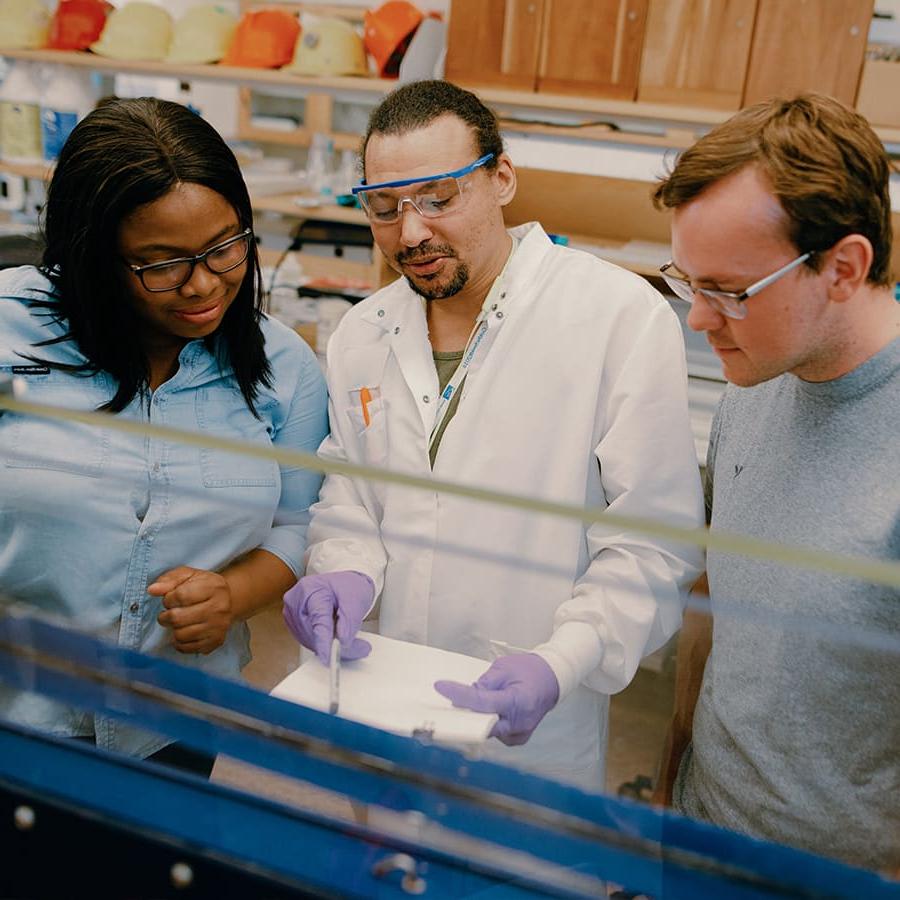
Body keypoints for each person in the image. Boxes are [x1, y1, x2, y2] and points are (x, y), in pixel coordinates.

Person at [283, 80, 704, 786]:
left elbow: (651, 543)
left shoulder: (617, 317)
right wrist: (344, 570)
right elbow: (351, 496)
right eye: (383, 208)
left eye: (438, 199)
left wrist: (561, 660)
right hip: (377, 701)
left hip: (535, 732)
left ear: (502, 178)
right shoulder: (363, 331)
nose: (410, 233)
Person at [0, 97, 328, 775]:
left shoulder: (283, 369)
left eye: (226, 246)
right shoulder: (11, 335)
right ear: (93, 256)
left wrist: (232, 595)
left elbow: (297, 525)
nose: (204, 283)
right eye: (161, 263)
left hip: (174, 721)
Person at [651, 93, 900, 872]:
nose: (698, 319)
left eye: (727, 290)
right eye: (687, 281)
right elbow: (712, 611)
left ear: (843, 267)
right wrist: (670, 784)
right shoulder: (752, 392)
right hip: (700, 834)